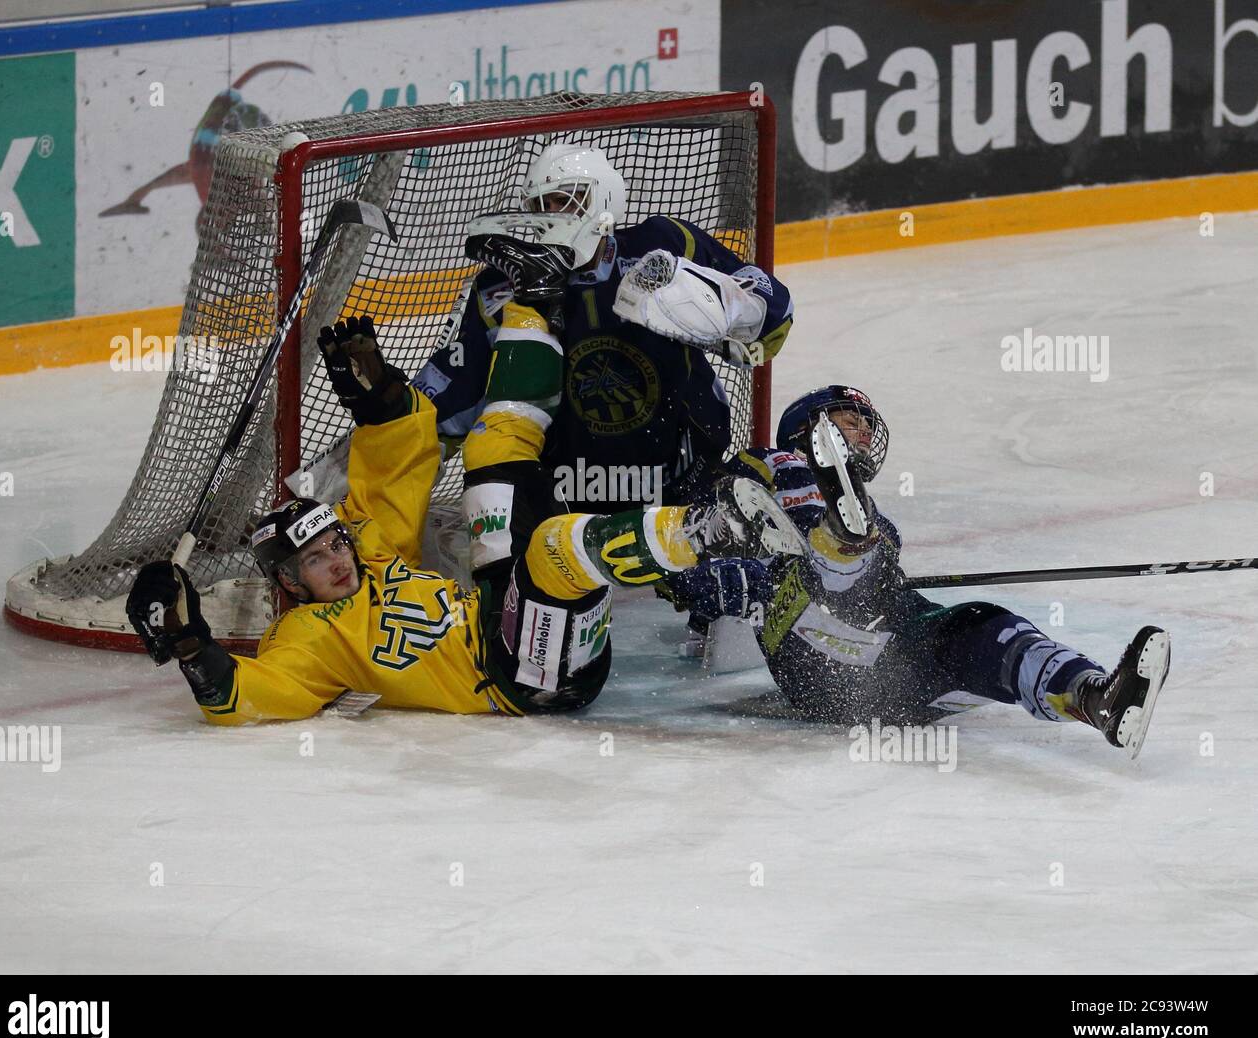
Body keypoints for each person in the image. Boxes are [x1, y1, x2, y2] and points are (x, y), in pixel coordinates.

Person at [124, 304, 802, 725]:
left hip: (502, 609)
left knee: (495, 451)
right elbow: (242, 696)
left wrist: (382, 401)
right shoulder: (307, 640)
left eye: (334, 542)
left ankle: (533, 301)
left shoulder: (373, 552)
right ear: (292, 583)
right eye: (316, 559)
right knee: (554, 550)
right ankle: (710, 529)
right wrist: (190, 642)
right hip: (524, 679)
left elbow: (394, 469)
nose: (337, 558)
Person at [661, 386, 1172, 757]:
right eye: (848, 419)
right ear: (807, 429)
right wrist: (726, 582)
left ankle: (1093, 697)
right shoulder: (768, 464)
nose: (863, 429)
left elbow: (890, 551)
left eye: (864, 424)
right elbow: (688, 548)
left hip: (883, 681)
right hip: (816, 653)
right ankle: (838, 547)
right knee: (840, 563)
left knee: (979, 627)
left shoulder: (874, 514)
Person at [414, 142, 795, 512]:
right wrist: (391, 422)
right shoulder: (501, 287)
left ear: (603, 199)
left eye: (564, 199)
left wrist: (730, 311)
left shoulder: (663, 245)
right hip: (564, 502)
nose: (552, 214)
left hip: (684, 484)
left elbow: (775, 307)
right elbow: (450, 399)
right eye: (542, 204)